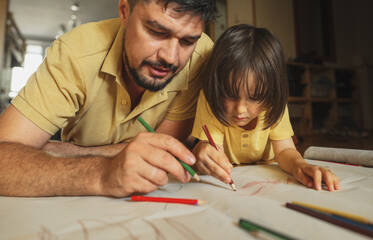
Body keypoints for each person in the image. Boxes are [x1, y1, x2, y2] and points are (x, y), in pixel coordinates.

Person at [0, 0, 217, 197]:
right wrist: (102, 174)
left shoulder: (200, 55)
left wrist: (70, 152)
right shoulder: (75, 52)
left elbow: (165, 151)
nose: (170, 57)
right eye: (156, 32)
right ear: (124, 11)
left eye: (187, 41)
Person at [191, 24, 340, 191]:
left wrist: (299, 165)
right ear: (217, 86)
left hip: (268, 173)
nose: (240, 109)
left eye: (254, 98)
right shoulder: (212, 99)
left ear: (272, 92)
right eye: (230, 94)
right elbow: (214, 152)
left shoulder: (272, 103)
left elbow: (284, 151)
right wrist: (207, 156)